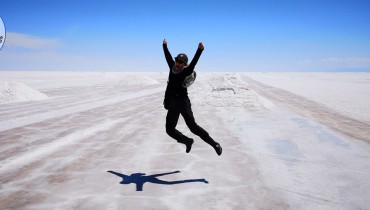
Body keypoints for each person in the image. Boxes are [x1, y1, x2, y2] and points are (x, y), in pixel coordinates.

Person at [162, 39, 222, 156]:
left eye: (180, 62)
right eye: (176, 61)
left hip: (183, 103)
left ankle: (214, 144)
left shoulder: (185, 71)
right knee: (169, 130)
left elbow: (194, 62)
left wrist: (200, 50)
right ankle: (187, 141)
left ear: (184, 64)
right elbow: (167, 56)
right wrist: (164, 46)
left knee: (193, 128)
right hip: (173, 104)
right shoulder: (172, 68)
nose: (177, 63)